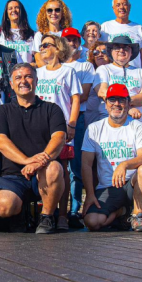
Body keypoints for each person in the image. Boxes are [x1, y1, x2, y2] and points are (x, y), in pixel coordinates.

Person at [0, 63, 67, 234]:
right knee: (3, 206)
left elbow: (59, 138)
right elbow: (1, 141)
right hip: (12, 176)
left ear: (36, 81)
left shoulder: (52, 109)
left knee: (54, 167)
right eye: (18, 77)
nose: (23, 81)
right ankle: (19, 215)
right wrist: (26, 161)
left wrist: (38, 163)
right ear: (11, 84)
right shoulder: (2, 111)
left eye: (28, 76)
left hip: (43, 173)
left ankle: (46, 217)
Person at [81, 84, 142, 232]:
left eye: (121, 100)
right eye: (112, 100)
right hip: (108, 187)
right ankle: (122, 212)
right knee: (92, 222)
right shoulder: (94, 128)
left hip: (133, 184)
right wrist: (90, 194)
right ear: (106, 104)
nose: (116, 104)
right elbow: (86, 164)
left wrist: (124, 165)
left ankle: (137, 215)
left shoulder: (137, 126)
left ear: (128, 103)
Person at [35, 34, 82, 230]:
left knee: (63, 171)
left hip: (61, 128)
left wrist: (71, 124)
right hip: (40, 129)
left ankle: (62, 214)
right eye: (41, 45)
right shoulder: (37, 72)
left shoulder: (68, 71)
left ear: (58, 48)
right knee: (42, 169)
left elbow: (76, 99)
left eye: (47, 45)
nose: (43, 48)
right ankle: (46, 212)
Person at [63, 28, 95, 227]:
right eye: (67, 40)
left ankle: (74, 210)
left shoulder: (86, 66)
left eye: (74, 40)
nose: (71, 43)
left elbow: (82, 95)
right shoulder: (54, 65)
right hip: (56, 118)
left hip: (78, 118)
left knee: (76, 167)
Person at [95, 37, 142, 121]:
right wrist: (128, 109)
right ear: (111, 51)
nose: (121, 50)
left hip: (136, 121)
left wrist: (125, 105)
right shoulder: (103, 69)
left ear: (131, 52)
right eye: (117, 47)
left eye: (126, 48)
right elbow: (102, 92)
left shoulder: (141, 72)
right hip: (109, 121)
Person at [100, 0, 142, 71]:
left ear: (129, 7)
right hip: (112, 74)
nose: (121, 7)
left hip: (135, 75)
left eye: (124, 4)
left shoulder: (138, 28)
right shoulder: (105, 27)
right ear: (113, 8)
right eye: (118, 5)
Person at [34, 0, 72, 67]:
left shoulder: (68, 34)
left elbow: (74, 56)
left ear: (62, 13)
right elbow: (38, 59)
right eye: (50, 10)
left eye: (57, 10)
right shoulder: (39, 35)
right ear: (45, 13)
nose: (53, 13)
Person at [0, 0, 36, 64]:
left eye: (17, 7)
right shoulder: (0, 34)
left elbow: (37, 58)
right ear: (6, 13)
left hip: (26, 71)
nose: (14, 10)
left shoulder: (33, 35)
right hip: (8, 72)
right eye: (10, 8)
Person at [85, 40, 111, 125]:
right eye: (96, 52)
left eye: (104, 51)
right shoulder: (89, 73)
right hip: (91, 120)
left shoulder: (116, 72)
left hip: (110, 117)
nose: (100, 54)